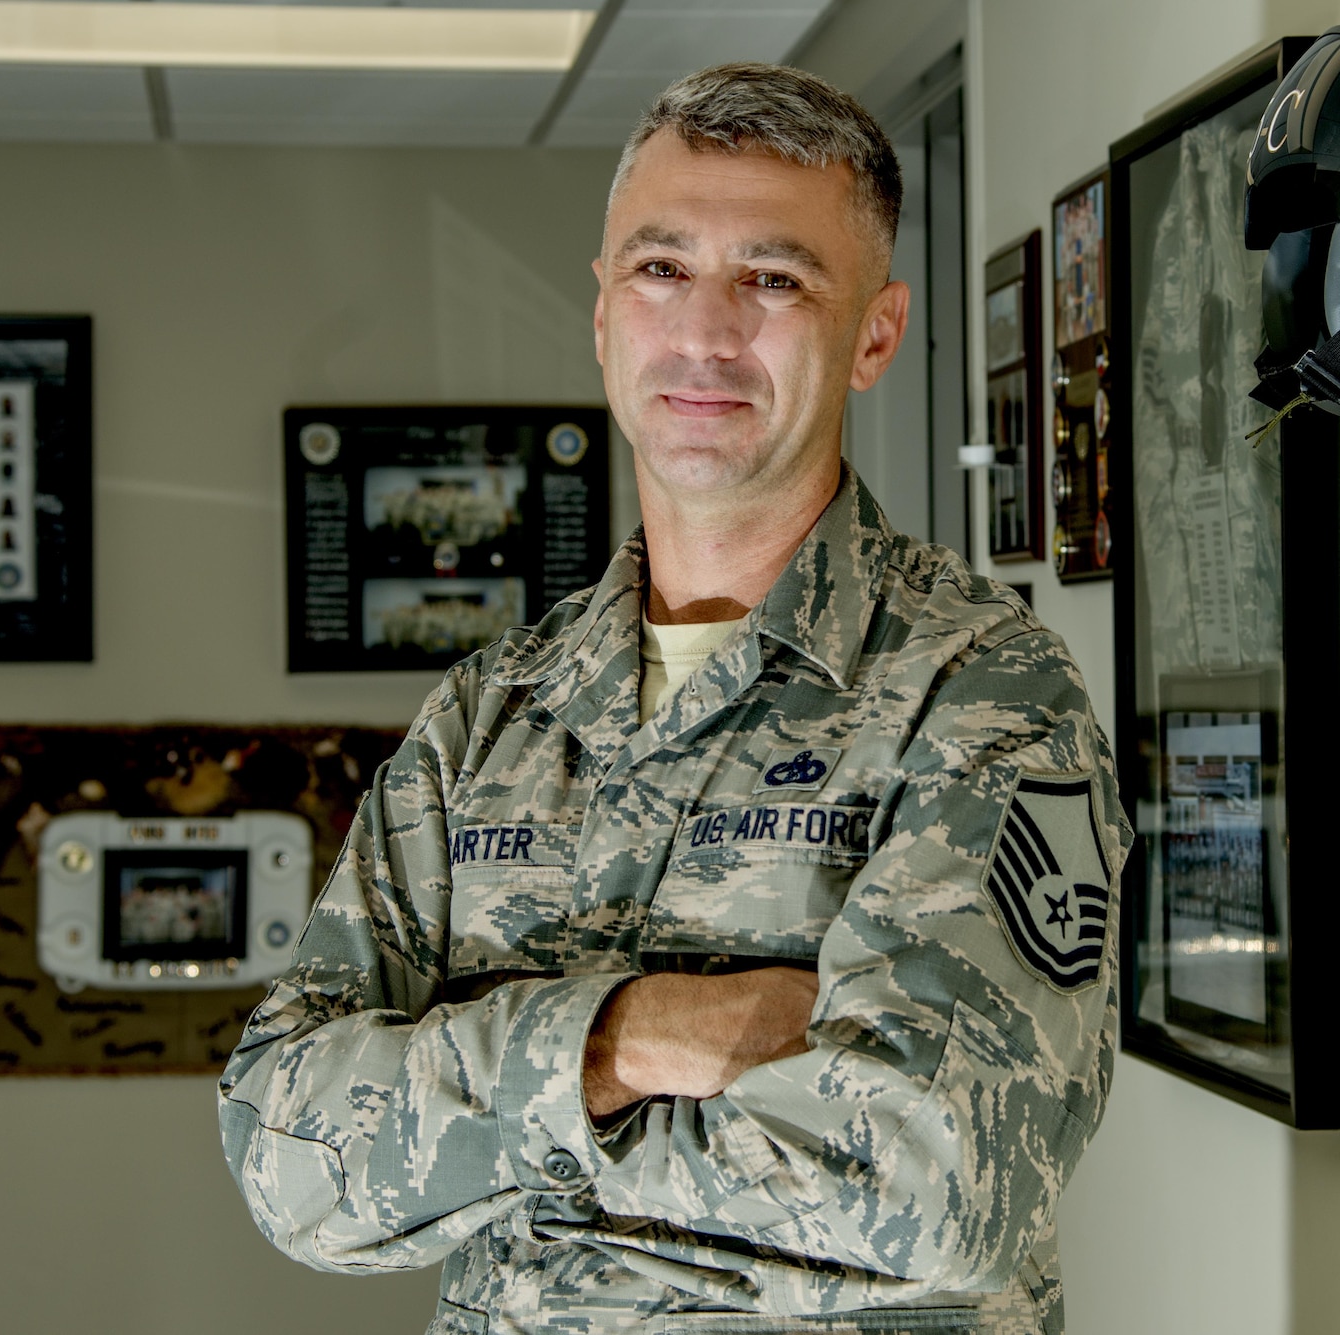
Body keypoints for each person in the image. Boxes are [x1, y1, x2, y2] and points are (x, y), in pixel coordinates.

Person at [218, 63, 1131, 1335]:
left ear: (874, 334)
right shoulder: (486, 719)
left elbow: (938, 1185)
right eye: (658, 271)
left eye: (771, 279)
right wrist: (617, 1043)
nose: (702, 334)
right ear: (601, 317)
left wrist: (489, 1152)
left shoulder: (977, 686)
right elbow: (287, 1160)